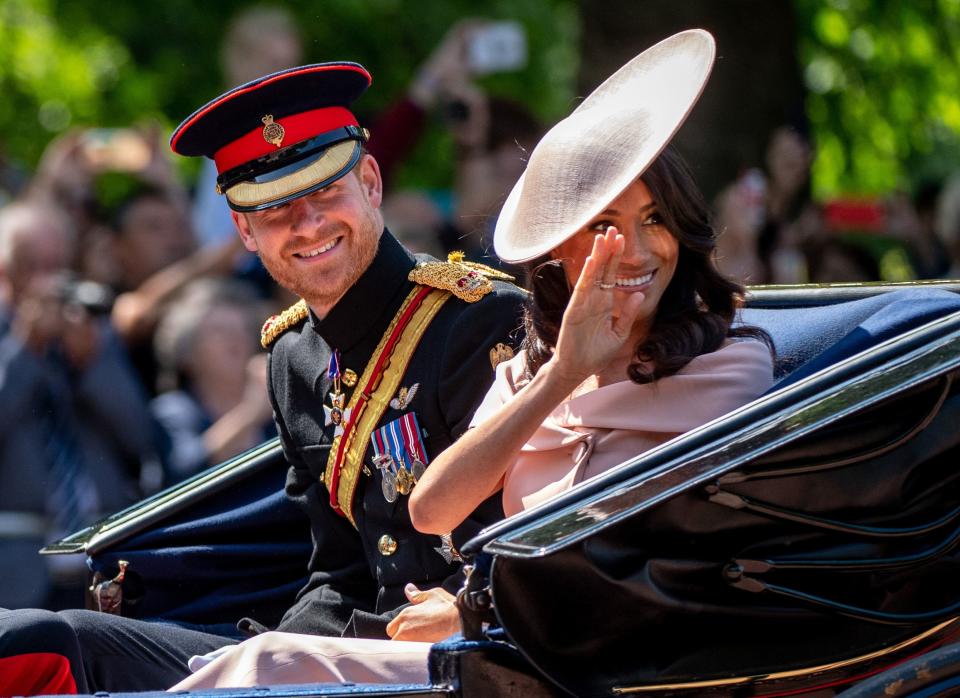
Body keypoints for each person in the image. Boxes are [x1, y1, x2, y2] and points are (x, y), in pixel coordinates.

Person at [170, 29, 775, 690]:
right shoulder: (535, 369)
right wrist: (560, 376)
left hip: (589, 657)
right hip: (490, 643)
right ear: (559, 246)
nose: (630, 250)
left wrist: (472, 606)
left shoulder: (723, 365)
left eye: (654, 220)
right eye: (600, 226)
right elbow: (427, 512)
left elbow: (631, 544)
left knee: (264, 666)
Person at [0, 58, 525, 695]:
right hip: (345, 654)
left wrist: (469, 609)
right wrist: (265, 650)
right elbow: (338, 573)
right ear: (244, 230)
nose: (307, 225)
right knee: (38, 639)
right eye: (275, 212)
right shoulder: (292, 355)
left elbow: (532, 536)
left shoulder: (480, 318)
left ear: (371, 180)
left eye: (326, 192)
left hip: (463, 654)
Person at [0, 200, 161, 612]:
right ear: (7, 272)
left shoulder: (94, 335)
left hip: (99, 561)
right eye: (35, 264)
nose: (51, 279)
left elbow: (141, 436)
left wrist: (91, 364)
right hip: (16, 565)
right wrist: (25, 350)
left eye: (59, 263)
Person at [151, 278, 274, 483]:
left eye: (243, 329)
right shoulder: (173, 409)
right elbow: (184, 472)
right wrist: (251, 413)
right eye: (220, 331)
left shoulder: (277, 401)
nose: (236, 340)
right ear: (188, 350)